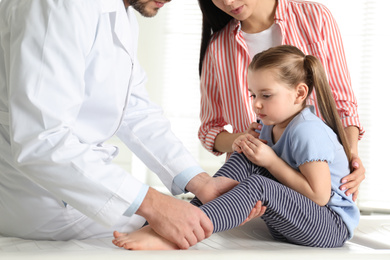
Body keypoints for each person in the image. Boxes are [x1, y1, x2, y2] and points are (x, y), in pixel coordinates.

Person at [0, 0, 264, 249]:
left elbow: (136, 111)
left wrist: (200, 181)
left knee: (192, 224)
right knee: (184, 233)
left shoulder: (122, 14)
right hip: (40, 201)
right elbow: (42, 141)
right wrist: (154, 205)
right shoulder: (56, 6)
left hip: (76, 188)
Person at [112, 45, 360, 250]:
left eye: (266, 95)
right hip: (295, 221)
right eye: (253, 95)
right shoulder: (270, 125)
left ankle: (185, 231)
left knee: (260, 182)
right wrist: (248, 147)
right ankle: (185, 218)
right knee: (245, 157)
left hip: (328, 226)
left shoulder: (308, 131)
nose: (257, 105)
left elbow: (319, 196)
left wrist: (271, 161)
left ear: (299, 93)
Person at [197, 0, 365, 201]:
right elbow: (209, 129)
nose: (228, 2)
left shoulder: (314, 18)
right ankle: (187, 219)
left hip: (316, 183)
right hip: (252, 190)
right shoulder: (218, 47)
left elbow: (342, 105)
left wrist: (352, 157)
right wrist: (242, 141)